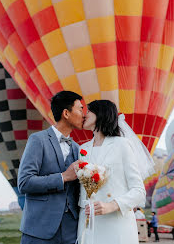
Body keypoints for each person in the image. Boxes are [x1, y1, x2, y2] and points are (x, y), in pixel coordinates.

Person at [77, 100, 150, 244]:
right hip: (88, 223)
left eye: (89, 111)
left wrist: (112, 205)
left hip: (116, 224)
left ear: (101, 114)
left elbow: (139, 191)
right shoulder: (82, 149)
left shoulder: (121, 144)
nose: (85, 115)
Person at [18, 90, 84, 244]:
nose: (84, 114)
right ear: (66, 113)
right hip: (39, 229)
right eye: (80, 109)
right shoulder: (38, 140)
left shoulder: (78, 149)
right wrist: (63, 177)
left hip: (71, 232)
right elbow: (24, 182)